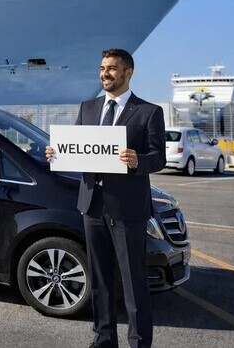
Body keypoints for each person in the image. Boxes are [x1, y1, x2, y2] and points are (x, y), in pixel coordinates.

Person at [46, 48, 165, 348]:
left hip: (127, 209)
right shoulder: (88, 108)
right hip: (92, 205)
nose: (105, 74)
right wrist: (56, 153)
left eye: (111, 68)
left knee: (133, 281)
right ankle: (103, 339)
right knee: (100, 279)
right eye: (102, 68)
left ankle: (139, 343)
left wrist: (138, 160)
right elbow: (76, 148)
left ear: (128, 73)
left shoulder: (148, 112)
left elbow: (159, 157)